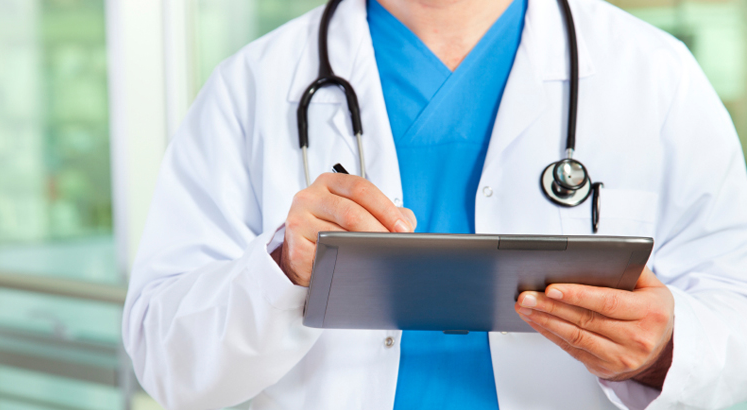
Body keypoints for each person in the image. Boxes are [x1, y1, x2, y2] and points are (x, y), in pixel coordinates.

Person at [121, 0, 747, 408]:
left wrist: (666, 350)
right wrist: (281, 268)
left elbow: (735, 321)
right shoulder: (251, 86)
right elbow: (166, 360)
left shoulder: (656, 78)